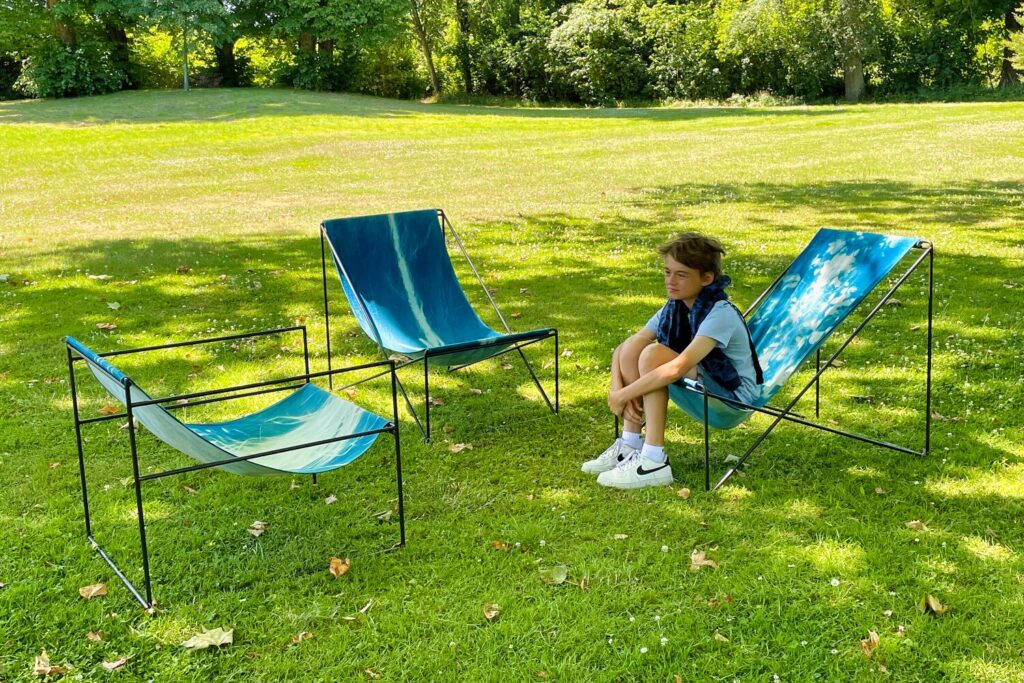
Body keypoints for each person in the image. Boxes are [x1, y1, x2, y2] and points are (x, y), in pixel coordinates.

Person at [582, 232, 763, 489]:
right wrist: (616, 390)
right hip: (703, 381)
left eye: (681, 274)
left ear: (707, 278)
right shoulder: (675, 306)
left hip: (732, 397)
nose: (671, 281)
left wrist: (623, 395)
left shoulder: (719, 312)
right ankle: (631, 443)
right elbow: (624, 348)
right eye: (667, 272)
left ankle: (653, 460)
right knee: (634, 347)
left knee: (653, 354)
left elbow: (677, 367)